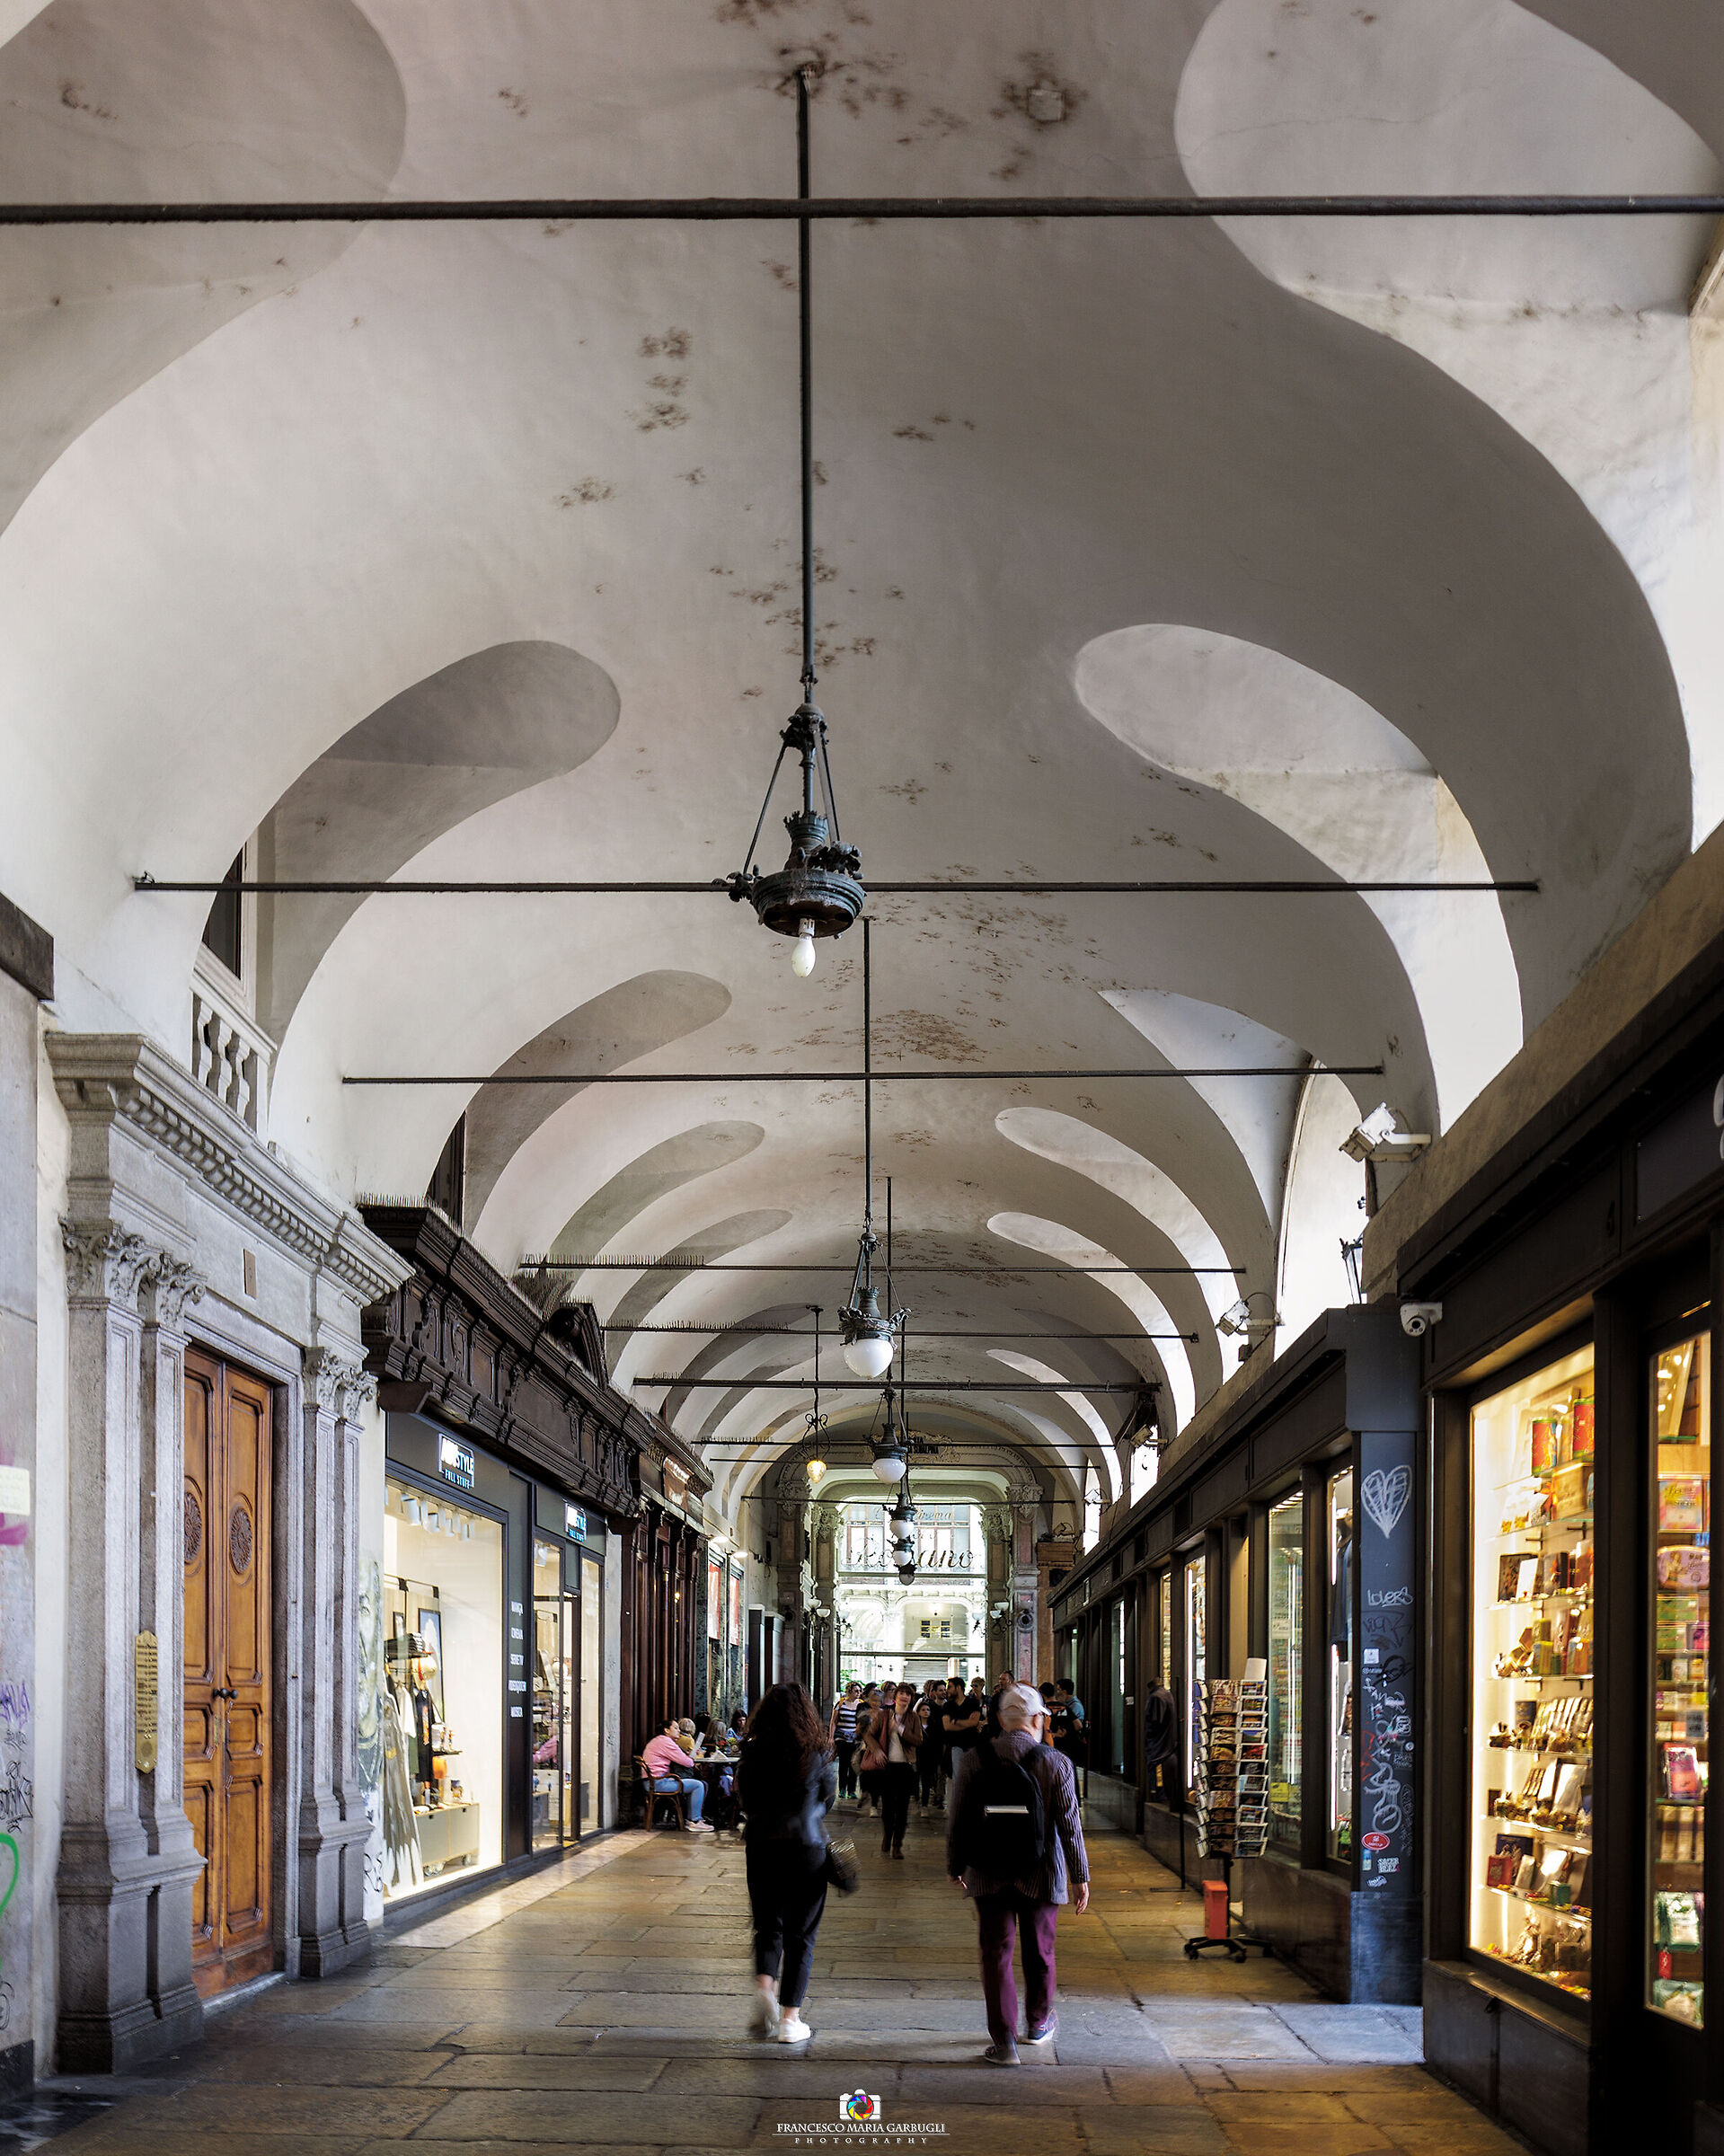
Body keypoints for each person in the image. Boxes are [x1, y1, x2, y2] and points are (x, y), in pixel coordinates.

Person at [948, 1680, 1090, 2067]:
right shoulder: (1056, 1762)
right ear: (1037, 1720)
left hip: (988, 1871)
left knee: (996, 1954)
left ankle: (1005, 2042)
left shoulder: (975, 1759)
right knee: (1040, 1951)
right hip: (1042, 1871)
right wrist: (1080, 1876)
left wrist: (955, 1865)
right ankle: (1038, 2024)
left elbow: (958, 1816)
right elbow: (1070, 1825)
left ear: (999, 1718)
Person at [737, 1682, 837, 2046]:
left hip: (762, 1844)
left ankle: (765, 1988)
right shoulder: (817, 1751)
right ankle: (790, 2020)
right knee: (802, 1934)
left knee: (767, 1926)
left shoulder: (752, 1751)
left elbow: (744, 1799)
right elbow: (830, 1799)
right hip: (807, 1847)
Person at [866, 1681, 922, 1858]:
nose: (905, 1697)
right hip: (887, 1768)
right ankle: (887, 1837)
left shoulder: (913, 1717)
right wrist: (876, 1750)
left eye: (908, 1694)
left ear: (911, 1698)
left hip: (905, 1767)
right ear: (895, 1696)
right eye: (902, 1693)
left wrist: (899, 1728)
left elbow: (918, 1740)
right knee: (888, 1807)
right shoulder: (884, 1715)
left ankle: (897, 1844)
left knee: (903, 1808)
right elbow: (868, 1734)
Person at [641, 1714, 713, 1831]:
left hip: (652, 1781)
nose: (679, 1731)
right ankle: (694, 1820)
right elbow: (688, 1763)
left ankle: (691, 1818)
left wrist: (690, 1756)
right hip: (657, 1783)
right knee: (698, 1785)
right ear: (666, 1730)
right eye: (675, 1728)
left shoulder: (658, 1740)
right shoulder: (666, 1742)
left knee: (696, 1783)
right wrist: (693, 1755)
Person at [1143, 1675, 1179, 1803]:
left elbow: (1155, 1722)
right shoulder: (1166, 1695)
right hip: (1165, 1745)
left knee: (1159, 1779)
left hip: (1159, 1748)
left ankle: (1159, 1795)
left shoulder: (1156, 1697)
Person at [830, 1682, 862, 1805]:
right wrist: (831, 1737)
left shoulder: (861, 1705)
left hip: (855, 1737)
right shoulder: (841, 1704)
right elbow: (834, 1722)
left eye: (859, 1691)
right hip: (841, 1737)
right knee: (844, 1762)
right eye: (856, 1691)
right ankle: (842, 1789)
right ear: (849, 1691)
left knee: (854, 1763)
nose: (858, 1693)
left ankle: (852, 1790)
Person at [918, 1679, 947, 1813]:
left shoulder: (948, 1706)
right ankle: (933, 1793)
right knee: (931, 1773)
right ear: (934, 1692)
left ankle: (939, 1796)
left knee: (942, 1771)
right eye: (940, 1690)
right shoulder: (929, 1707)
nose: (944, 1692)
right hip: (930, 1746)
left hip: (944, 1743)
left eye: (944, 1689)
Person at [1051, 1679, 1087, 1770]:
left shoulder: (1075, 1706)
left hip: (1071, 1742)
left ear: (1064, 1691)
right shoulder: (1066, 1705)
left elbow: (1072, 1725)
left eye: (1059, 1690)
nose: (1057, 1692)